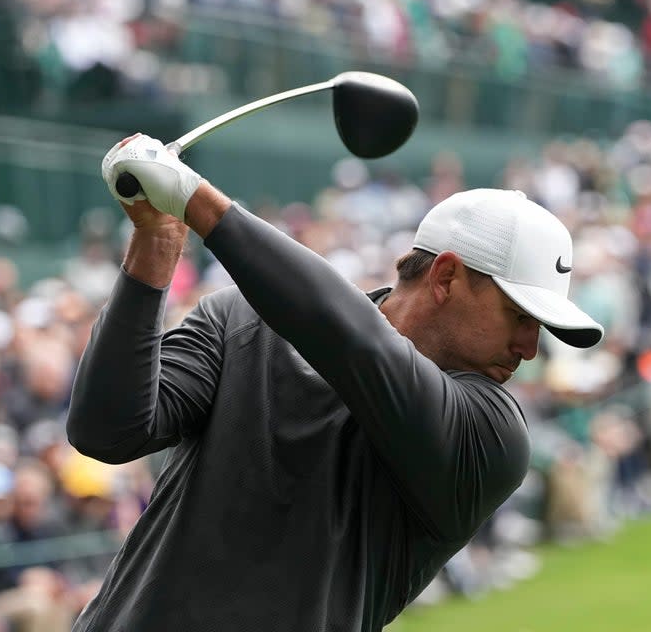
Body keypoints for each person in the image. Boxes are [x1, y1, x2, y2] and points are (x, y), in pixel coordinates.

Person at [65, 134, 603, 630]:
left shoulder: (493, 433)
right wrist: (156, 241)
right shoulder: (243, 319)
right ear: (444, 277)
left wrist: (194, 200)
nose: (530, 349)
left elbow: (356, 344)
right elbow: (106, 430)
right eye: (520, 317)